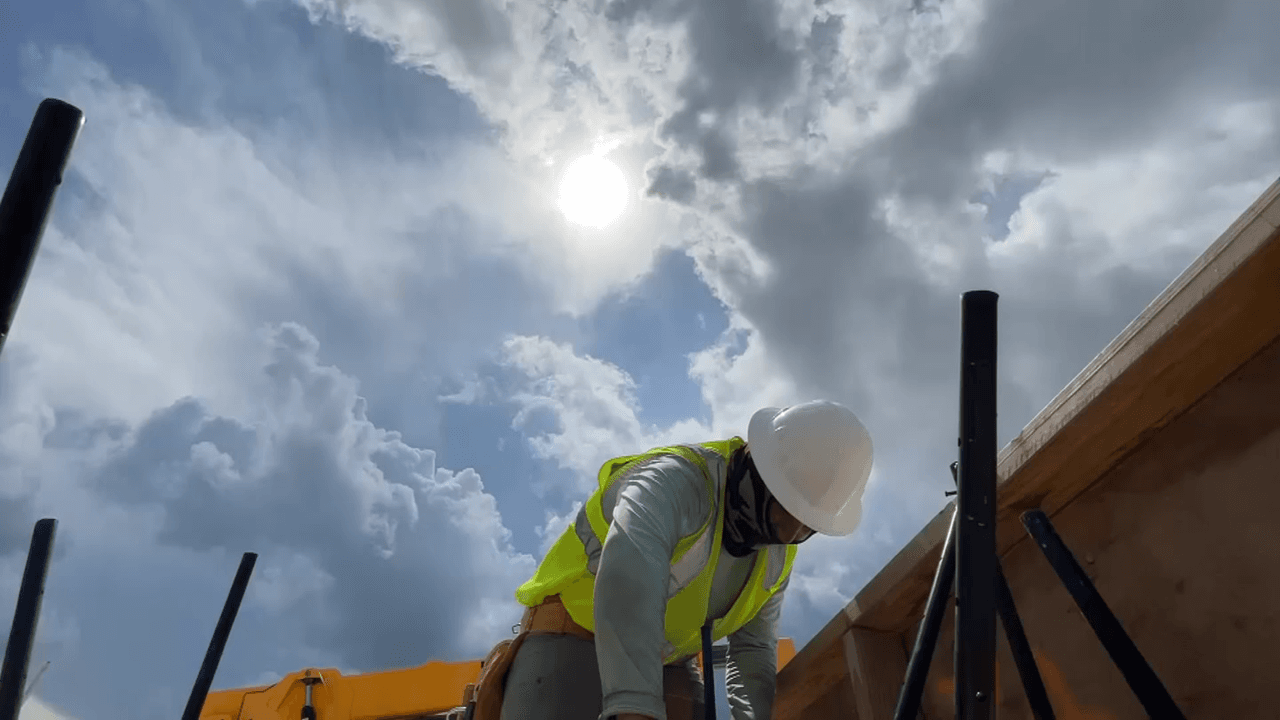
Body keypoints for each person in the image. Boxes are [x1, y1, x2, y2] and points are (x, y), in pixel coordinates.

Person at [499, 400, 874, 720]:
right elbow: (627, 585)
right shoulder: (673, 482)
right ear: (759, 467)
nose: (791, 534)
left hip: (667, 663)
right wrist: (635, 707)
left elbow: (754, 650)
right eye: (786, 509)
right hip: (574, 636)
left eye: (808, 523)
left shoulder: (778, 553)